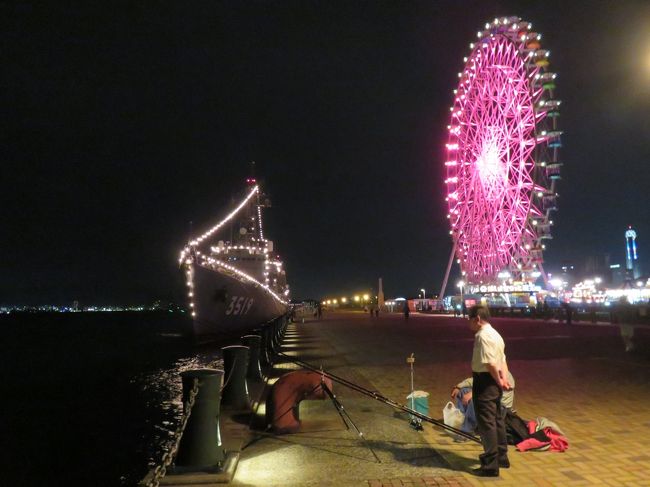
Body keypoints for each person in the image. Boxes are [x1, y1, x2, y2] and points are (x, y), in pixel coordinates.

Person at [467, 305, 512, 477]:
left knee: (486, 424)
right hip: (494, 381)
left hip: (485, 381)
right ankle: (502, 456)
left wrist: (498, 380)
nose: (468, 323)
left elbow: (490, 363)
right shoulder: (496, 334)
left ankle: (490, 465)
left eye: (469, 319)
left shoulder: (482, 336)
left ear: (477, 319)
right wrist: (504, 380)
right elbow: (503, 361)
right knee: (497, 419)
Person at [451, 371, 516, 434]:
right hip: (489, 402)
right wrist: (458, 387)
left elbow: (492, 392)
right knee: (463, 391)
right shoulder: (489, 371)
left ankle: (467, 431)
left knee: (475, 400)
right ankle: (462, 420)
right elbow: (474, 380)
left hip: (501, 408)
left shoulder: (504, 374)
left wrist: (473, 394)